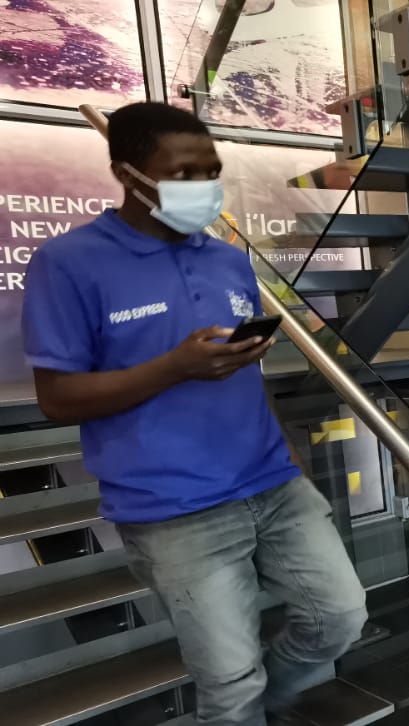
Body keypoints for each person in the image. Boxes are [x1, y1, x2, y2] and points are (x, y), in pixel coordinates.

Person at [21, 102, 366, 726]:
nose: (203, 185)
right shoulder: (67, 262)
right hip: (172, 509)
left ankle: (270, 701)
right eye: (183, 173)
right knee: (230, 685)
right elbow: (57, 397)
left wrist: (286, 450)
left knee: (340, 617)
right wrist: (173, 367)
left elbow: (242, 375)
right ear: (126, 174)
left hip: (273, 484)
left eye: (210, 171)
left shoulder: (227, 260)